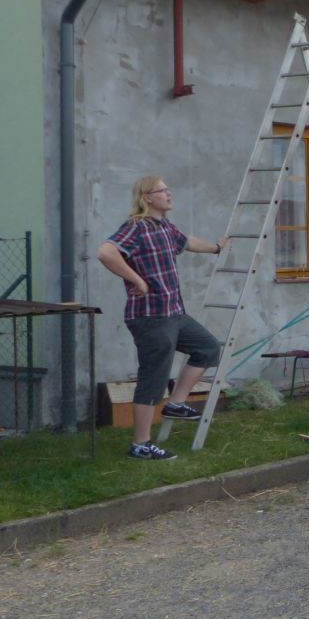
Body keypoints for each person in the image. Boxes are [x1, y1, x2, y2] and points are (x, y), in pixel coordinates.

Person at [96, 175, 227, 461]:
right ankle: (141, 445)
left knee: (207, 348)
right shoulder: (136, 226)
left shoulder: (165, 227)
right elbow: (105, 252)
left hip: (174, 313)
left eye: (168, 189)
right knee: (153, 379)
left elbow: (188, 242)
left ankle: (176, 403)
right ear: (147, 198)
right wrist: (136, 280)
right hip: (151, 317)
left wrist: (216, 248)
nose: (169, 194)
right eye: (162, 190)